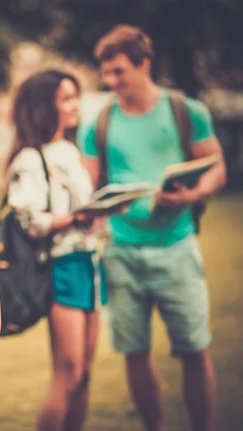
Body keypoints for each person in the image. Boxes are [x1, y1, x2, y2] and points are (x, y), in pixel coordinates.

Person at [78, 25, 227, 431]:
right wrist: (98, 202)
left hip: (177, 247)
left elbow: (216, 167)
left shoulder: (186, 110)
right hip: (121, 252)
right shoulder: (99, 122)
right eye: (106, 73)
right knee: (135, 351)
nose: (112, 82)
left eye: (119, 72)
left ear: (144, 64)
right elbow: (84, 185)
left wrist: (191, 196)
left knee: (194, 349)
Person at [6, 69, 108, 431]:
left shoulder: (70, 151)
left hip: (89, 263)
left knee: (84, 376)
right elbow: (31, 221)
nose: (75, 105)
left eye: (75, 96)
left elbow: (82, 211)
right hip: (60, 266)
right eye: (66, 98)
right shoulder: (31, 159)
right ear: (43, 107)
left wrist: (105, 213)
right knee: (68, 373)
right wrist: (78, 218)